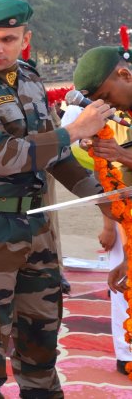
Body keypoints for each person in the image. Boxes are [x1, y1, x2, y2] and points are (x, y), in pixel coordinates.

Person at [0, 0, 115, 398]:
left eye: (7, 39)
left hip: (38, 226)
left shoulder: (31, 79)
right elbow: (4, 156)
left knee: (41, 341)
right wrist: (73, 130)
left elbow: (58, 157)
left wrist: (109, 200)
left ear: (25, 39)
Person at [71, 45, 132, 375]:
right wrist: (127, 259)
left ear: (124, 74)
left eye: (107, 97)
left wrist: (124, 157)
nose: (107, 107)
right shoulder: (121, 115)